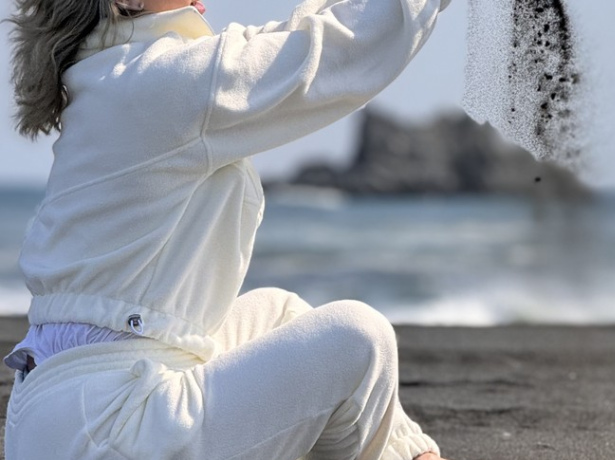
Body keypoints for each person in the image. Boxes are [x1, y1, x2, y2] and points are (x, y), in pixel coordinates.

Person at [3, 0, 451, 458]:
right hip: (107, 426)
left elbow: (284, 41)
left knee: (279, 314)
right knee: (359, 338)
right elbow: (337, 52)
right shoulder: (164, 80)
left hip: (59, 415)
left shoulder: (120, 74)